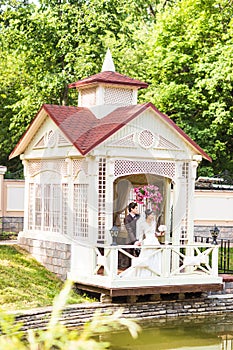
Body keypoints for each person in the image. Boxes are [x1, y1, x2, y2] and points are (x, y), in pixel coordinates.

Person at [121, 209, 163, 278]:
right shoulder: (142, 224)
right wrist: (139, 242)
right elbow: (140, 235)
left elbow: (154, 233)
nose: (153, 216)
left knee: (155, 257)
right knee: (145, 257)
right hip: (147, 242)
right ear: (147, 215)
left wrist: (160, 233)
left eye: (153, 214)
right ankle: (145, 274)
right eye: (151, 214)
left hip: (155, 242)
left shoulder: (154, 222)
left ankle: (155, 273)